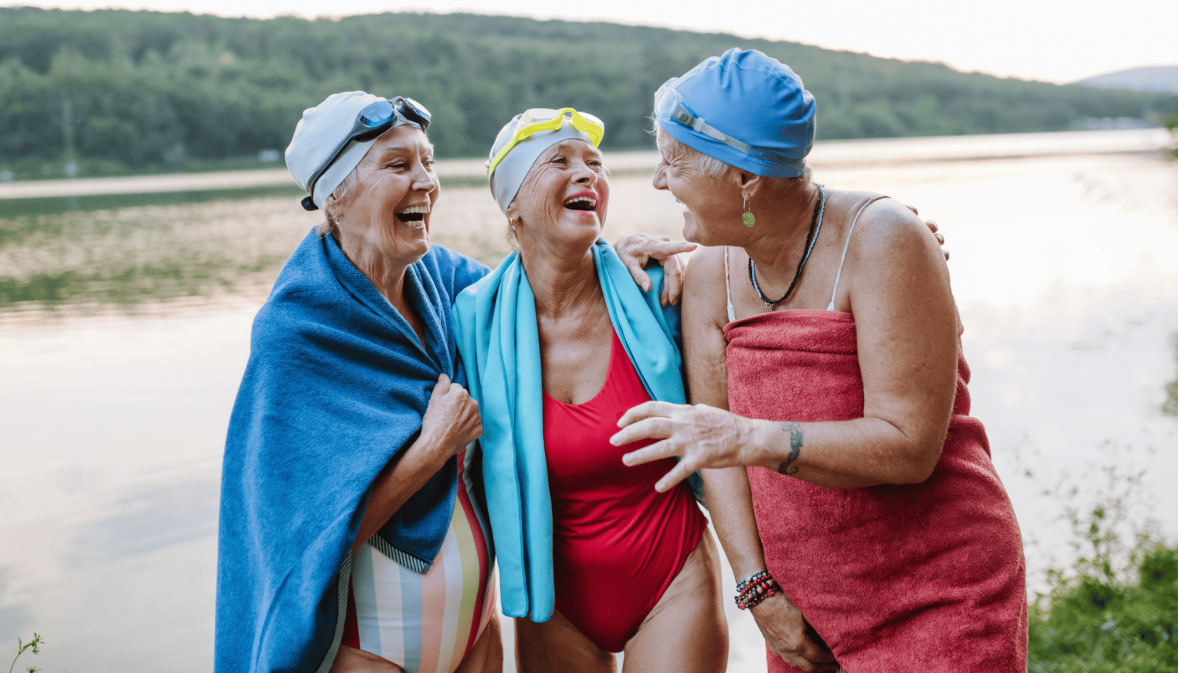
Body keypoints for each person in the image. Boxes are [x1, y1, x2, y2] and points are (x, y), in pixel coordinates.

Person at [215, 92, 680, 673]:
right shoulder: (298, 332)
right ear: (335, 194)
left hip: (475, 633)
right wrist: (434, 445)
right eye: (397, 165)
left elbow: (549, 285)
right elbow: (303, 536)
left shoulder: (443, 280)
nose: (426, 182)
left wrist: (619, 259)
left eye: (428, 162)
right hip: (375, 642)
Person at [611, 49, 1028, 672]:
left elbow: (910, 446)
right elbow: (717, 456)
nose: (658, 181)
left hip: (941, 597)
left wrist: (747, 436)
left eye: (673, 161)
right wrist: (758, 591)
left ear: (743, 178)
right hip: (805, 615)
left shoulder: (885, 239)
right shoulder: (707, 274)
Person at [452, 108, 728, 673]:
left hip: (671, 578)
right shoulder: (474, 320)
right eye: (559, 161)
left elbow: (757, 287)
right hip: (551, 600)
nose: (587, 175)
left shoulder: (653, 289)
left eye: (595, 165)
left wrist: (876, 232)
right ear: (512, 205)